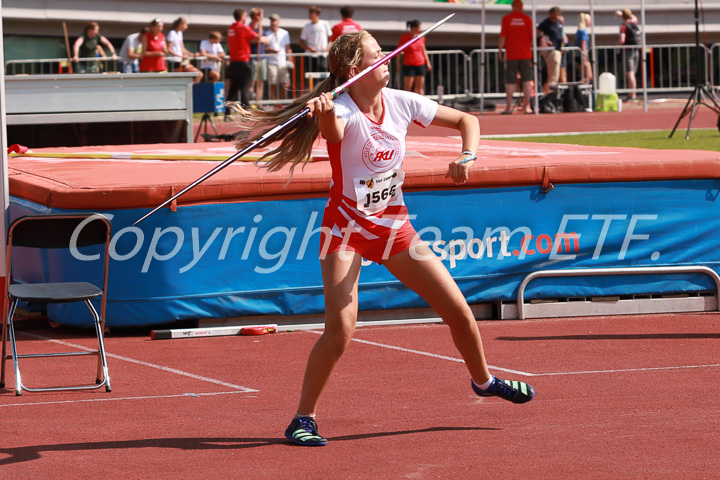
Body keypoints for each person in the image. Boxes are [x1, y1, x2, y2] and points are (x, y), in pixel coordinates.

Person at [228, 30, 535, 447]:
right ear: (357, 71)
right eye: (379, 54)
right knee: (340, 329)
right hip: (346, 231)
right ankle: (302, 419)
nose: (389, 57)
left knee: (459, 311)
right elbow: (334, 133)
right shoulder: (341, 110)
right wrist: (322, 113)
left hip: (394, 228)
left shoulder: (403, 102)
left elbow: (468, 120)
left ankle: (483, 381)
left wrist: (467, 155)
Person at [498, 0, 534, 114]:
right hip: (525, 54)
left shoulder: (507, 19)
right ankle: (526, 106)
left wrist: (500, 50)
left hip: (512, 55)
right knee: (526, 80)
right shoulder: (527, 19)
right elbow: (531, 38)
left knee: (510, 81)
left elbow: (503, 36)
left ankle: (508, 107)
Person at [227, 8, 263, 110]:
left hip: (233, 62)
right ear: (242, 17)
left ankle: (227, 112)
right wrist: (259, 23)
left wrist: (254, 22)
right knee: (245, 88)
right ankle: (245, 112)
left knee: (233, 89)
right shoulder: (242, 27)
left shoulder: (231, 28)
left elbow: (247, 32)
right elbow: (258, 37)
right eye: (246, 15)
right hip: (243, 62)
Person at [397, 20, 432, 95]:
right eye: (419, 27)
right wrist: (398, 64)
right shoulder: (404, 38)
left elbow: (424, 50)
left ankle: (421, 104)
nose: (420, 29)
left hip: (420, 63)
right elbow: (399, 52)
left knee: (419, 87)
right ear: (413, 28)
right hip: (408, 64)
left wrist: (428, 62)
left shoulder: (421, 37)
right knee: (408, 87)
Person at [537, 6, 565, 95]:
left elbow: (561, 35)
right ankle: (550, 95)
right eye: (552, 17)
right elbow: (537, 32)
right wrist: (543, 40)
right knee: (553, 76)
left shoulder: (559, 22)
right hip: (551, 51)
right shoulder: (545, 23)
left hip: (558, 50)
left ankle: (549, 94)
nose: (554, 19)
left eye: (555, 17)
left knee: (555, 75)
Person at [166, 17, 203, 83]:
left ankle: (190, 90)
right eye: (185, 25)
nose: (186, 27)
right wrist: (180, 56)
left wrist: (191, 54)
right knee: (177, 80)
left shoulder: (180, 34)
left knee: (199, 74)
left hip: (181, 61)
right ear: (180, 25)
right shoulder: (172, 33)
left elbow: (182, 48)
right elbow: (169, 49)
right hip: (174, 61)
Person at [265, 14, 293, 100]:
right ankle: (274, 103)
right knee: (272, 84)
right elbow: (263, 48)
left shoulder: (284, 33)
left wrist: (290, 58)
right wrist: (270, 50)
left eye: (274, 20)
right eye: (271, 20)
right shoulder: (266, 33)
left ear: (278, 21)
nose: (273, 22)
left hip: (282, 62)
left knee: (286, 83)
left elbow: (288, 48)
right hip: (271, 62)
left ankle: (280, 102)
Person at [616, 8, 640, 101]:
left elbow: (622, 40)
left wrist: (615, 45)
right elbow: (634, 17)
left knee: (629, 73)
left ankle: (632, 94)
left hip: (628, 51)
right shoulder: (633, 22)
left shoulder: (624, 26)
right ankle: (632, 93)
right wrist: (624, 14)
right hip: (635, 50)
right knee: (632, 73)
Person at [299, 5, 332, 73]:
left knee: (324, 75)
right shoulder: (306, 27)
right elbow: (301, 43)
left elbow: (331, 39)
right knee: (312, 76)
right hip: (310, 56)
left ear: (317, 14)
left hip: (323, 55)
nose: (309, 15)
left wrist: (327, 48)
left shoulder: (325, 24)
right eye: (309, 13)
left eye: (311, 13)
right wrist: (309, 48)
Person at [249, 8, 270, 106]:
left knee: (261, 82)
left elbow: (267, 40)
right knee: (251, 82)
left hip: (262, 58)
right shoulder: (250, 27)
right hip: (253, 58)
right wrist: (259, 38)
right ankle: (250, 102)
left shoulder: (261, 27)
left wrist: (259, 39)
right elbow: (253, 39)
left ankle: (259, 103)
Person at [575, 13, 593, 85]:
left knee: (585, 76)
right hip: (583, 56)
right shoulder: (583, 32)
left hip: (580, 56)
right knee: (589, 76)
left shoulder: (580, 30)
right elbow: (583, 46)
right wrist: (584, 57)